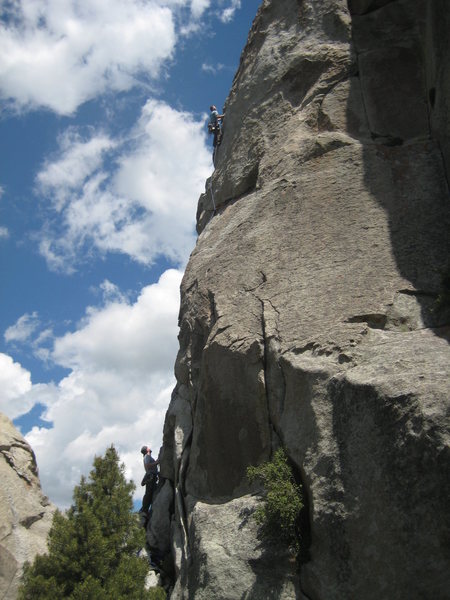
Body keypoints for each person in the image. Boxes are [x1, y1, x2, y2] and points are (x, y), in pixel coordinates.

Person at [140, 445, 159, 515]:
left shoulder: (147, 456)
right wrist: (157, 462)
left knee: (150, 493)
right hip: (151, 476)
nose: (149, 448)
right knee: (148, 493)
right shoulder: (147, 456)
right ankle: (144, 510)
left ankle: (145, 509)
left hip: (151, 477)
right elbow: (148, 465)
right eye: (148, 447)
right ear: (147, 450)